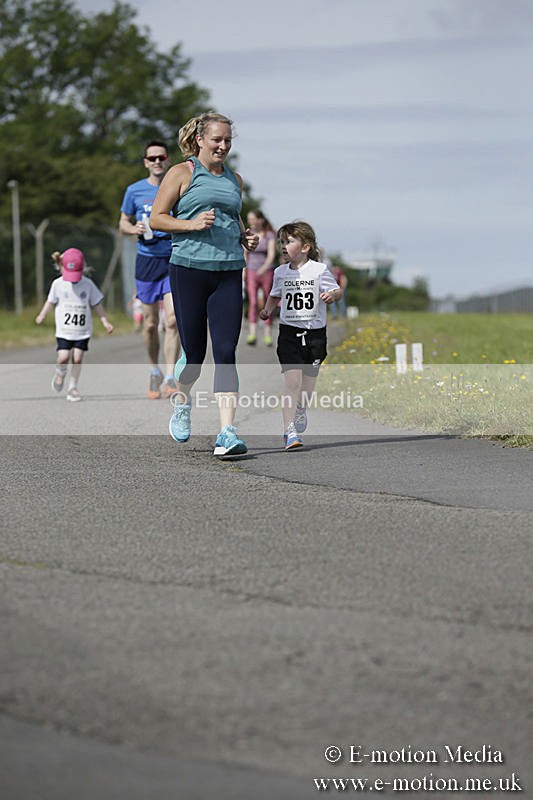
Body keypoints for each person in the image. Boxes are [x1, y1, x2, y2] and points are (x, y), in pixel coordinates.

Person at [149, 111, 258, 456]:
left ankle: (227, 431)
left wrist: (245, 237)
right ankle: (182, 402)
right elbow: (157, 219)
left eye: (227, 140)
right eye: (217, 140)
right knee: (194, 354)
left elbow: (231, 214)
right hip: (189, 270)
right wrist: (192, 225)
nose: (223, 146)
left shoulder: (234, 179)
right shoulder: (182, 172)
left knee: (226, 352)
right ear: (200, 139)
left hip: (228, 271)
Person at [259, 221, 342, 450]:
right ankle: (289, 432)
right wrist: (267, 309)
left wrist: (331, 297)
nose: (284, 246)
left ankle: (301, 408)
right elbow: (275, 295)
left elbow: (337, 290)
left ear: (305, 247)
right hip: (289, 332)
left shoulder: (319, 270)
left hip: (315, 335)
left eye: (289, 242)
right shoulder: (280, 272)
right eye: (282, 242)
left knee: (307, 384)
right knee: (292, 381)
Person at [119, 140, 180, 399]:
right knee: (150, 323)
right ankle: (154, 370)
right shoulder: (134, 191)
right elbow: (123, 221)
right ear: (146, 162)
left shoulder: (177, 187)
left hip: (172, 259)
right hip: (146, 262)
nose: (157, 161)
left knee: (173, 320)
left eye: (161, 157)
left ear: (166, 160)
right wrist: (133, 229)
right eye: (152, 158)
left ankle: (170, 376)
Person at [35, 248, 114, 402]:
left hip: (82, 331)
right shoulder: (57, 284)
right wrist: (42, 315)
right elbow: (50, 302)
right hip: (64, 330)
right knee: (63, 357)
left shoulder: (88, 284)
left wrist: (104, 321)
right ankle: (60, 372)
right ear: (62, 267)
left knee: (77, 358)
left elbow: (96, 303)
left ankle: (73, 387)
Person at [244, 209, 276, 346]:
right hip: (251, 270)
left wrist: (263, 269)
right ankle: (252, 333)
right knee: (253, 302)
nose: (250, 222)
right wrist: (244, 269)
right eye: (249, 219)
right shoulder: (248, 234)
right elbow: (245, 252)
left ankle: (267, 333)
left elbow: (271, 254)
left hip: (266, 271)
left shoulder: (269, 235)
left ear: (260, 220)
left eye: (253, 219)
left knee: (267, 301)